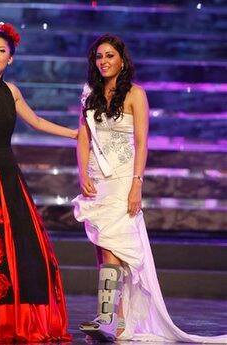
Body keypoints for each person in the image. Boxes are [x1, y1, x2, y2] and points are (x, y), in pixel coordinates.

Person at [72, 34, 227, 343]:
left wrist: (136, 185)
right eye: (99, 56)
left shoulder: (135, 94)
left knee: (113, 244)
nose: (103, 61)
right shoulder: (89, 93)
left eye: (109, 56)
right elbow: (84, 136)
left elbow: (142, 142)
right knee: (103, 246)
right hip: (97, 180)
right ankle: (111, 318)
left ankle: (108, 317)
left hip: (122, 180)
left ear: (122, 60)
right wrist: (81, 174)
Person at [0, 23, 75, 342]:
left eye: (1, 51)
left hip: (6, 172)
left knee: (23, 247)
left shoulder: (12, 92)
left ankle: (15, 319)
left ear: (10, 59)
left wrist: (73, 133)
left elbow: (37, 121)